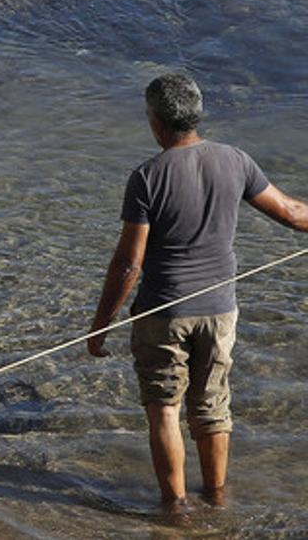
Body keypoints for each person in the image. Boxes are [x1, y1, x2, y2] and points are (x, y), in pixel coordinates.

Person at [87, 73, 308, 511]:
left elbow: (129, 263)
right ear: (196, 114)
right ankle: (217, 498)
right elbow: (292, 213)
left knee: (165, 408)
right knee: (212, 407)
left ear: (155, 121)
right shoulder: (236, 160)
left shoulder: (147, 177)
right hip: (220, 311)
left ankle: (176, 508)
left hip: (163, 314)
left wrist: (101, 326)